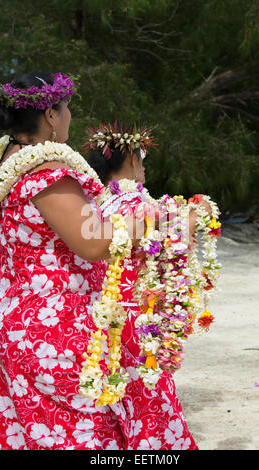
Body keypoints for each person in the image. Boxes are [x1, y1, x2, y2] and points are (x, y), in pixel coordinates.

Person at [0, 72, 144, 450]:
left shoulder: (3, 161)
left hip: (10, 319)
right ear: (51, 116)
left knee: (39, 437)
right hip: (53, 329)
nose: (71, 114)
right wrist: (160, 222)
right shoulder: (49, 173)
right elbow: (94, 243)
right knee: (85, 437)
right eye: (66, 106)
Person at [86, 123, 214, 450]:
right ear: (130, 160)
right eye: (141, 160)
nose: (144, 167)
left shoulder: (94, 204)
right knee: (148, 405)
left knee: (112, 406)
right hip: (136, 321)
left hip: (100, 318)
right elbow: (177, 235)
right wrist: (199, 212)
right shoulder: (138, 206)